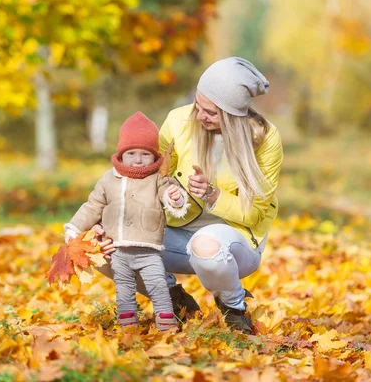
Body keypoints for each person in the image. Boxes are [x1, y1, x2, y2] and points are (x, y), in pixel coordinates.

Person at [93, 57, 283, 334]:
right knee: (106, 248)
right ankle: (174, 301)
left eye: (210, 112)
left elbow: (253, 212)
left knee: (206, 246)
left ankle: (233, 310)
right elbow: (143, 177)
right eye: (197, 103)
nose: (199, 114)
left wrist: (213, 195)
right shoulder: (178, 121)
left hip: (235, 241)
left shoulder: (264, 139)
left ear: (232, 114)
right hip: (176, 230)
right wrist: (106, 219)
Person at [63, 111, 190, 331]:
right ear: (121, 155)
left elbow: (170, 196)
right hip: (118, 250)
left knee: (158, 286)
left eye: (145, 154)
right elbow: (93, 206)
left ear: (154, 156)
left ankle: (166, 323)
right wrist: (74, 228)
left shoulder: (158, 179)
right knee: (123, 289)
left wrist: (175, 198)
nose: (138, 159)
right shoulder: (109, 179)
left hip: (148, 250)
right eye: (131, 153)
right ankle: (128, 325)